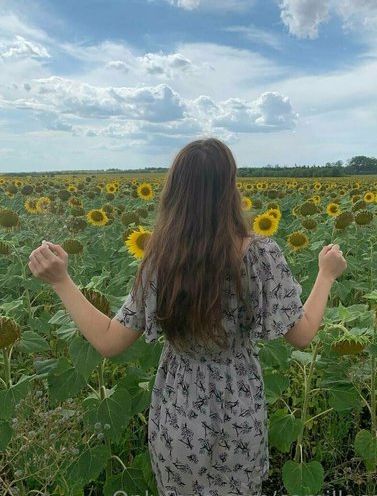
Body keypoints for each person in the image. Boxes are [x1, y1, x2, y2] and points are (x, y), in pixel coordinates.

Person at [28, 137, 347, 496]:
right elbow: (301, 335)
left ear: (174, 192)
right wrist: (326, 274)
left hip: (178, 409)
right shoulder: (260, 254)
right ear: (230, 188)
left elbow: (108, 340)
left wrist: (61, 281)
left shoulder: (162, 259)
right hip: (238, 409)